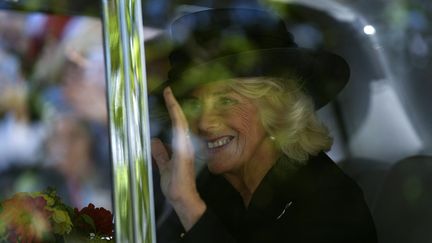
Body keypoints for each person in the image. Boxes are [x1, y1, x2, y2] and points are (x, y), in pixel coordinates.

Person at [151, 8, 377, 243]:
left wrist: (188, 206)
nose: (204, 122)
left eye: (226, 101)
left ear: (276, 109)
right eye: (194, 105)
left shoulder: (331, 202)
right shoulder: (214, 187)